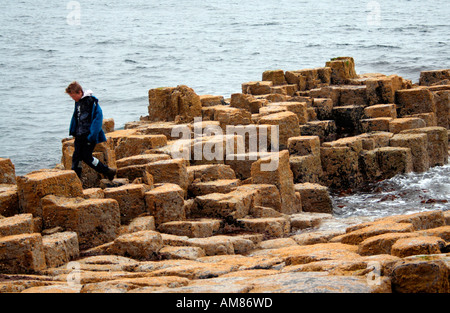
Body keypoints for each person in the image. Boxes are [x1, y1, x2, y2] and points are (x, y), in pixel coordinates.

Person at [65, 81, 116, 180]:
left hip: (88, 135)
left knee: (87, 157)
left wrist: (92, 135)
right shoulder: (78, 102)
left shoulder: (91, 101)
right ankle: (77, 179)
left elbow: (98, 118)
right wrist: (74, 131)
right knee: (76, 157)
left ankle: (108, 171)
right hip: (79, 135)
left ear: (79, 92)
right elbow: (76, 118)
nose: (72, 98)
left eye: (73, 96)